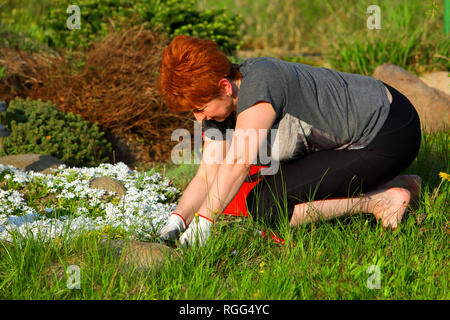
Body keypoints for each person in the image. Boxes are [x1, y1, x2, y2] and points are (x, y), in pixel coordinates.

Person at [156, 35, 422, 247]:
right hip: (352, 139)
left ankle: (381, 200)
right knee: (262, 202)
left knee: (268, 209)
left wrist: (204, 223)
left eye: (200, 108)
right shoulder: (221, 106)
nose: (199, 118)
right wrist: (177, 220)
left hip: (388, 132)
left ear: (224, 86)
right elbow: (207, 174)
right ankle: (398, 184)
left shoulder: (260, 84)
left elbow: (238, 163)